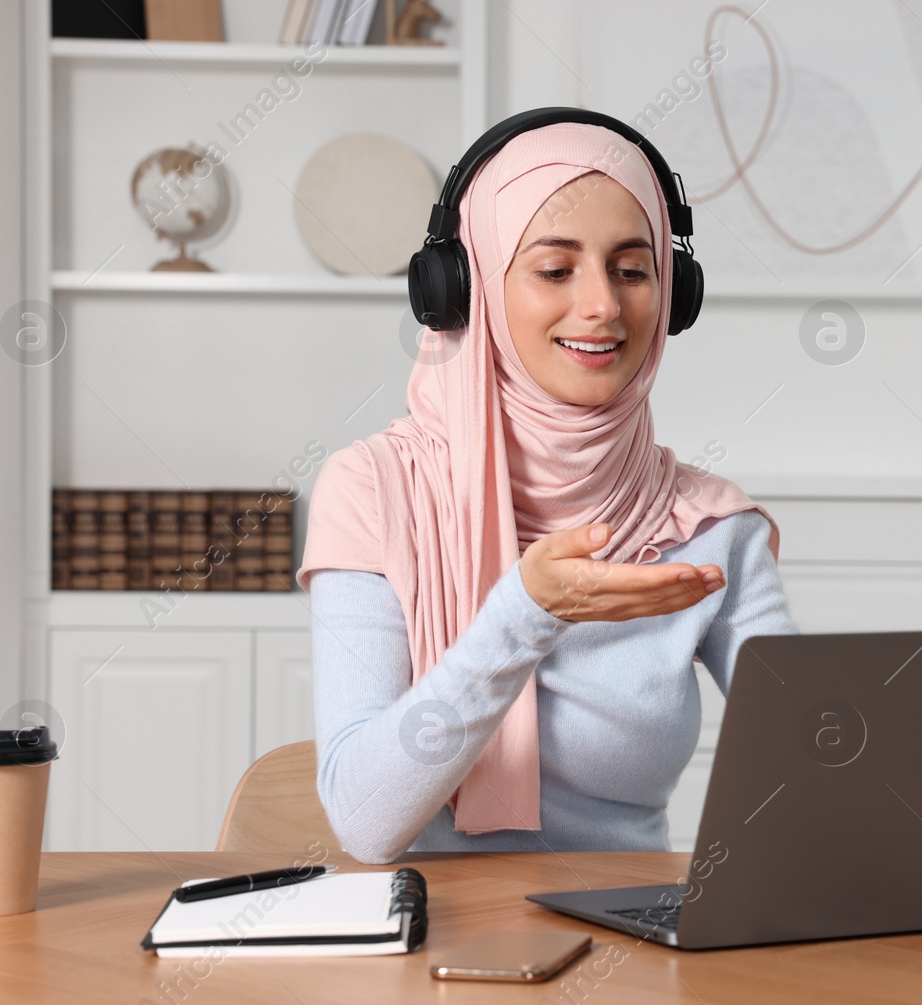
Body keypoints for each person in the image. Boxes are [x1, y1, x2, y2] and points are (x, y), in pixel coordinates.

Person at [296, 115, 798, 864]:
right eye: (555, 269)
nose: (602, 305)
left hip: (631, 944)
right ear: (469, 290)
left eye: (633, 269)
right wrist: (525, 613)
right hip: (429, 942)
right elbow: (365, 822)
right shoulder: (374, 490)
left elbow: (822, 753)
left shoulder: (709, 526)